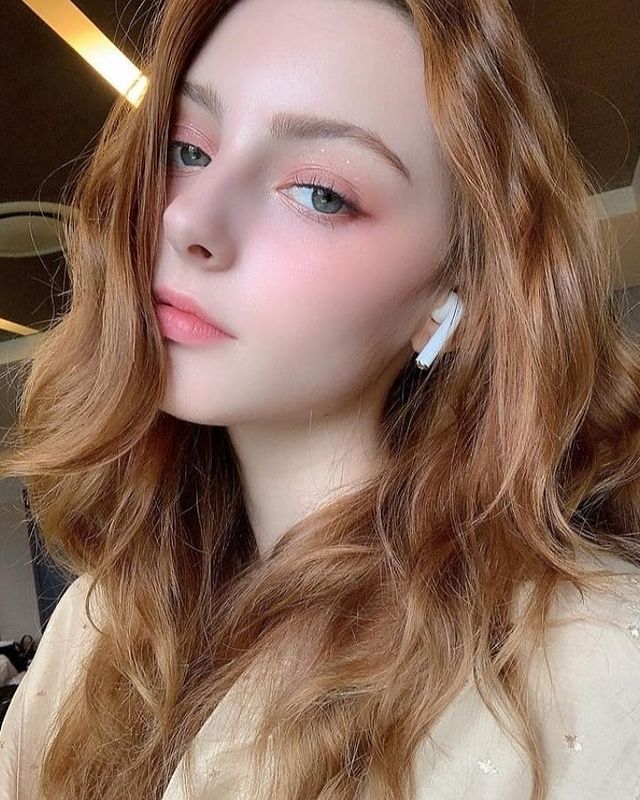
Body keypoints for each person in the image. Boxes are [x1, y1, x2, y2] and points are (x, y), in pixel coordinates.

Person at [1, 0, 639, 797]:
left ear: (453, 299)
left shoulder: (594, 672)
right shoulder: (94, 624)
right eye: (186, 149)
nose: (188, 216)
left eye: (320, 194)